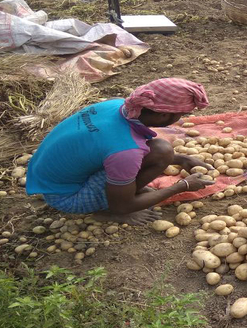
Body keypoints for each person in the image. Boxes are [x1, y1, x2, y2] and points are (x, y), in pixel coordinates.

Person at [26, 78, 215, 225]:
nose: (180, 118)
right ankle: (108, 212)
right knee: (160, 152)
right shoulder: (126, 150)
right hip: (66, 197)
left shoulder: (117, 105)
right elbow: (122, 203)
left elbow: (109, 145)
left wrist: (180, 159)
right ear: (164, 114)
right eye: (181, 114)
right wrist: (183, 186)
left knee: (161, 151)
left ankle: (126, 191)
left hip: (46, 178)